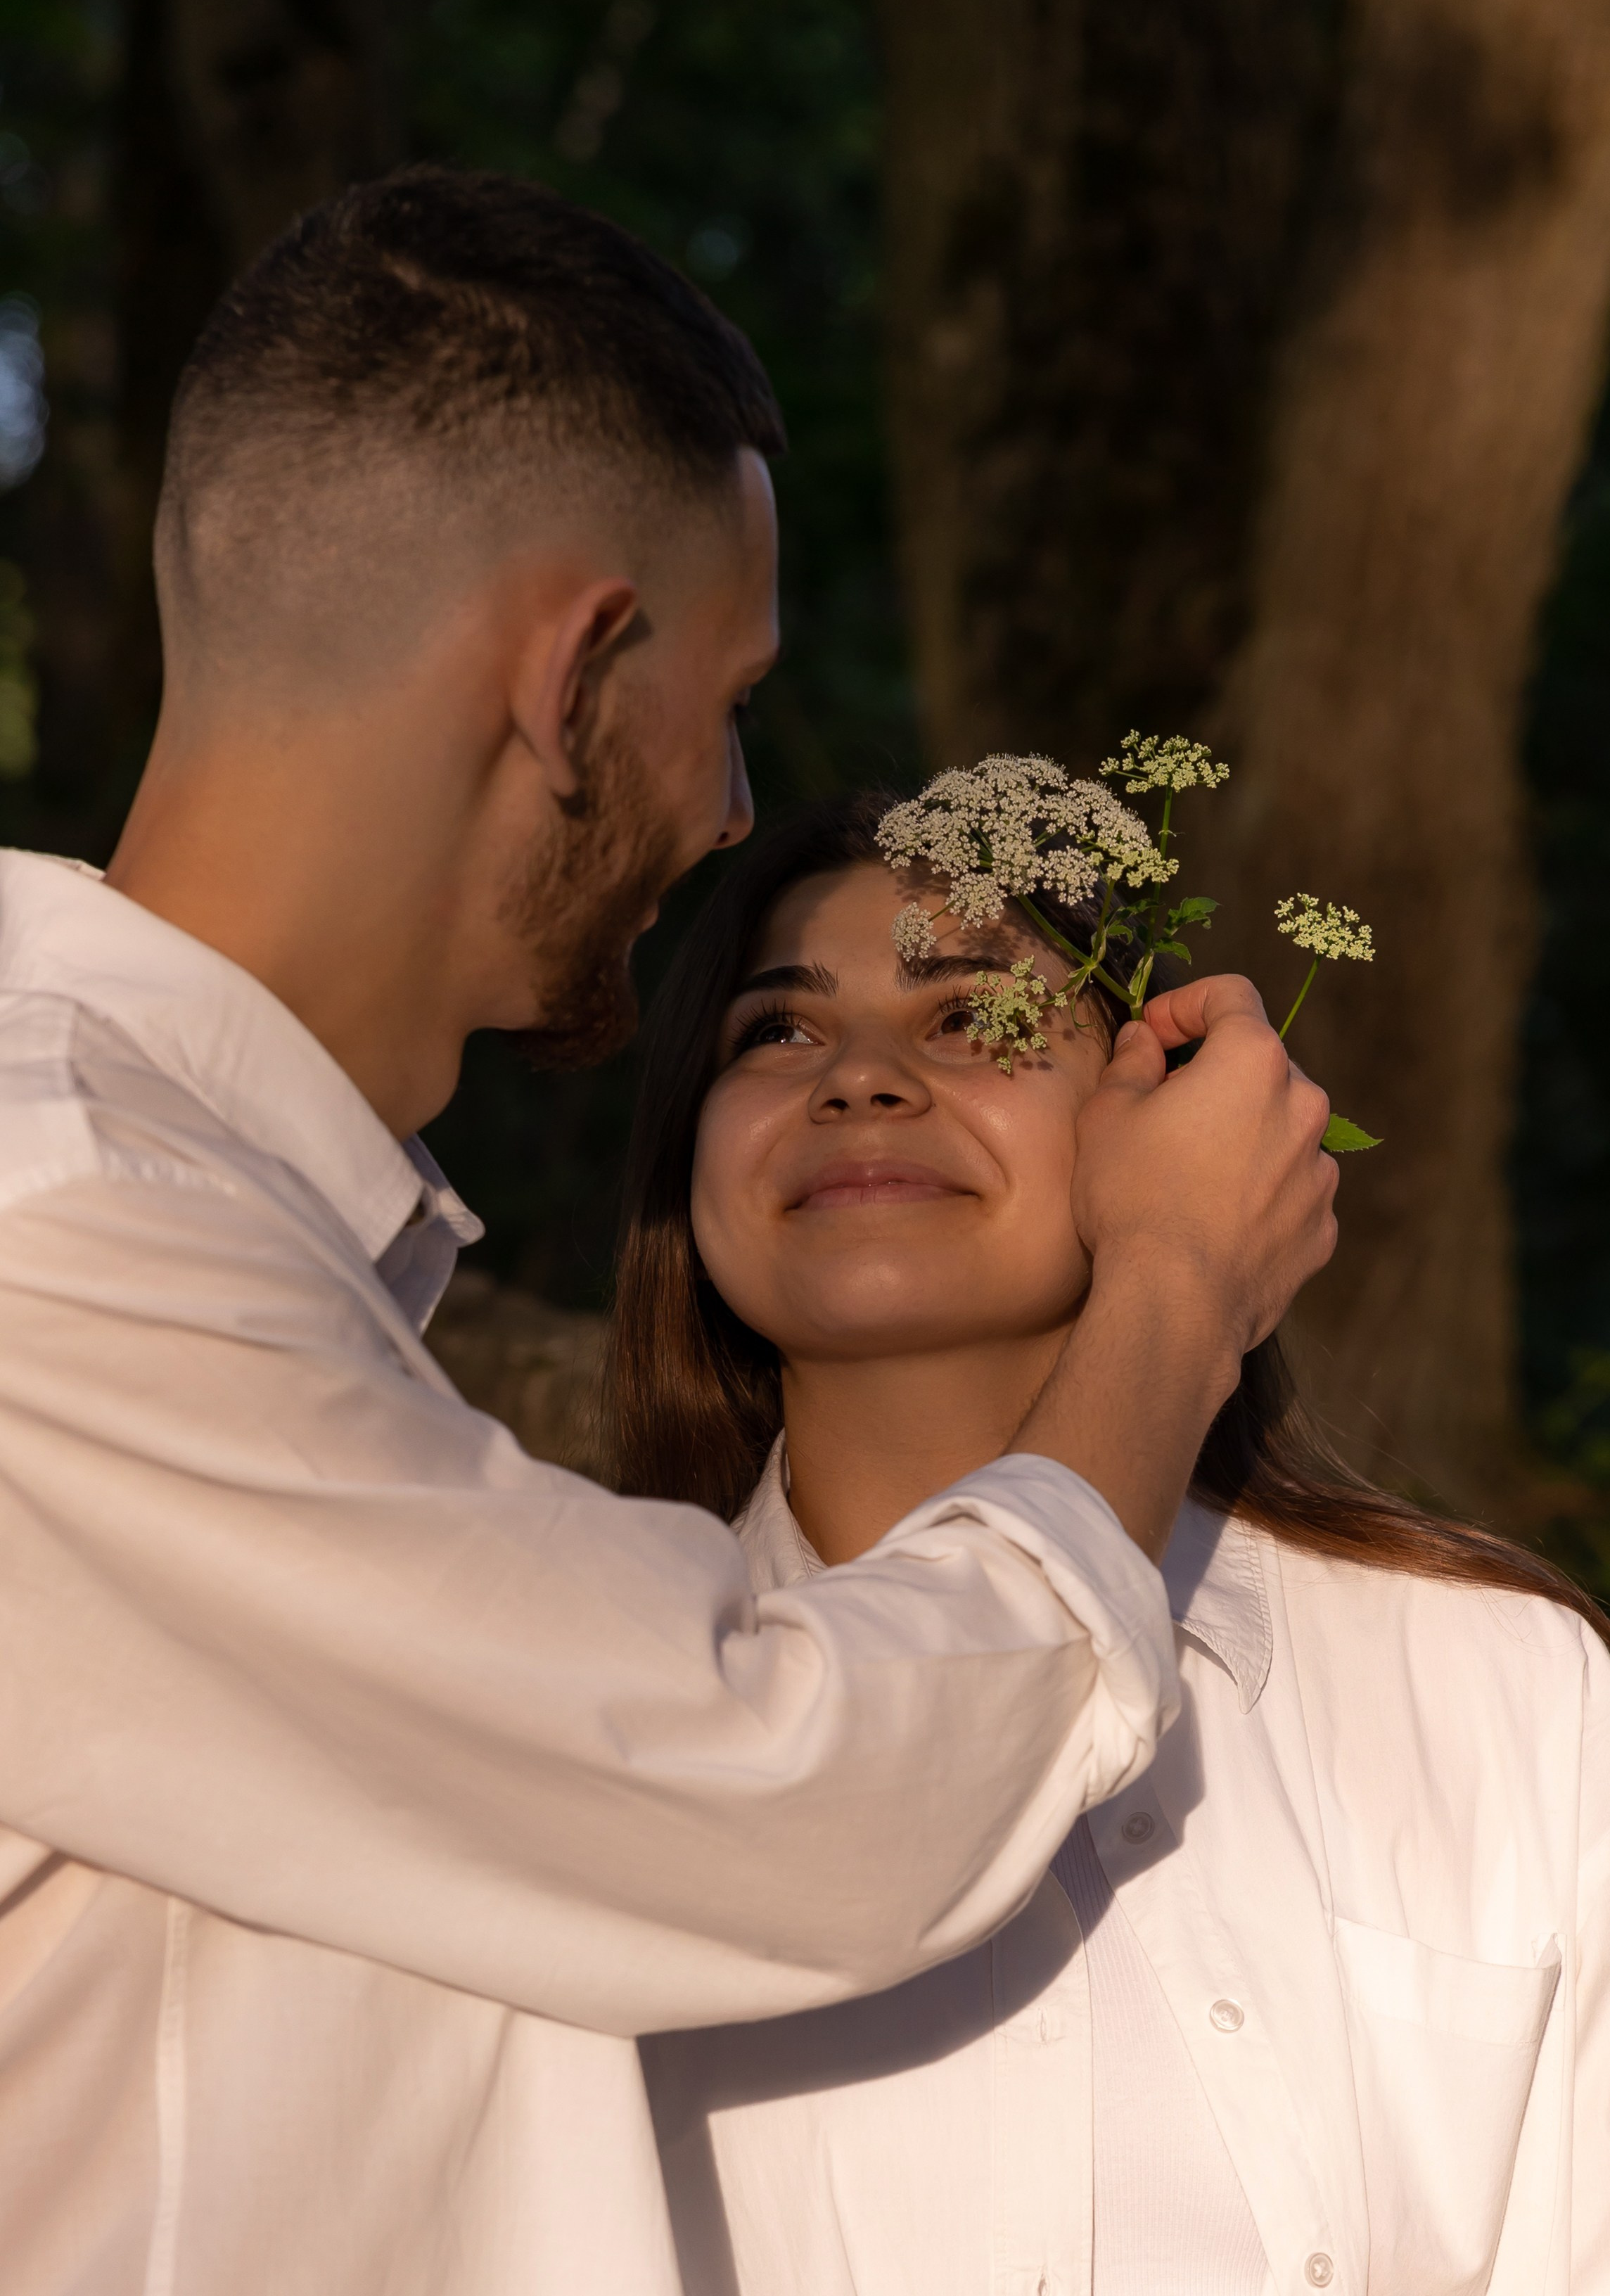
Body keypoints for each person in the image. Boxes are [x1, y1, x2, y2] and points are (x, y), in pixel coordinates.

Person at [0, 170, 1338, 2295]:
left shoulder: (165, 1213)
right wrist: (1176, 1288)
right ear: (575, 672)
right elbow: (789, 1786)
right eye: (723, 701)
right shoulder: (63, 1227)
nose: (728, 810)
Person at [622, 796, 1610, 2296]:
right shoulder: (586, 1715)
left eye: (970, 1013)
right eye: (775, 1035)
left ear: (1165, 1113)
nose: (865, 1080)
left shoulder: (1498, 1687)